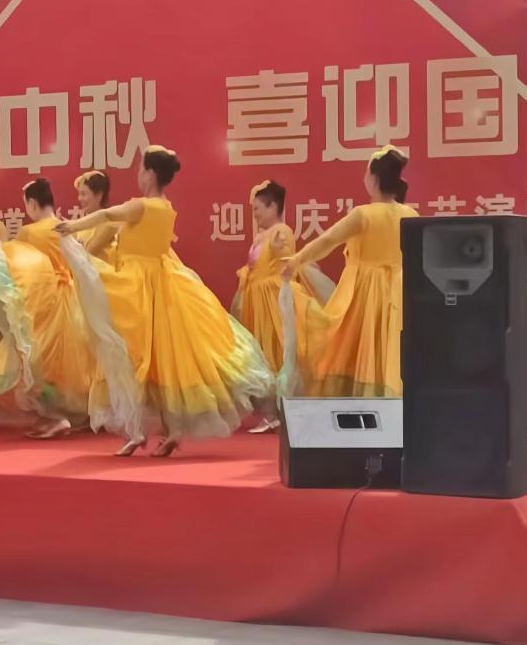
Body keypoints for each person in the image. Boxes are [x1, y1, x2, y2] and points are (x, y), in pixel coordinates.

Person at [57, 146, 274, 457]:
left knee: (135, 355)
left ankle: (139, 430)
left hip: (137, 286)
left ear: (150, 174)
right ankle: (164, 430)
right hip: (164, 284)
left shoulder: (141, 206)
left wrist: (72, 226)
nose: (138, 174)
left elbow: (107, 215)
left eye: (140, 169)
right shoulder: (166, 207)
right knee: (162, 360)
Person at [280, 145, 417, 397]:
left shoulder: (363, 215)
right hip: (400, 293)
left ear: (373, 179)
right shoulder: (409, 214)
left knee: (349, 345)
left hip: (364, 292)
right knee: (390, 349)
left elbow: (327, 241)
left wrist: (296, 261)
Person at [0, 179, 95, 438]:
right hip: (72, 300)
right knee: (68, 364)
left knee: (34, 362)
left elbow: (15, 263)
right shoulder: (66, 228)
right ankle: (72, 415)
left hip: (42, 300)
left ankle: (52, 417)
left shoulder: (29, 233)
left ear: (33, 203)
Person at [231, 180, 334, 432]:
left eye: (258, 209)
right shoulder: (261, 235)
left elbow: (289, 262)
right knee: (262, 354)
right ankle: (270, 411)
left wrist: (280, 251)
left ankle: (280, 411)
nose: (255, 214)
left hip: (274, 300)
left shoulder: (282, 231)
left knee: (278, 351)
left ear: (273, 206)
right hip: (257, 300)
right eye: (253, 210)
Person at [73, 171, 119, 263]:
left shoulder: (109, 222)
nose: (79, 198)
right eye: (79, 194)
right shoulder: (81, 223)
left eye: (83, 194)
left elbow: (88, 253)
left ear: (99, 195)